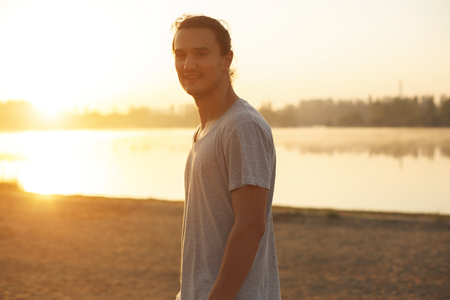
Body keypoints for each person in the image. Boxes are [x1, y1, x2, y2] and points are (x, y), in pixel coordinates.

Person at [172, 14, 281, 300]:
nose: (188, 65)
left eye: (201, 54)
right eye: (180, 55)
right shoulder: (204, 131)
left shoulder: (242, 126)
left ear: (226, 60)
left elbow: (250, 226)